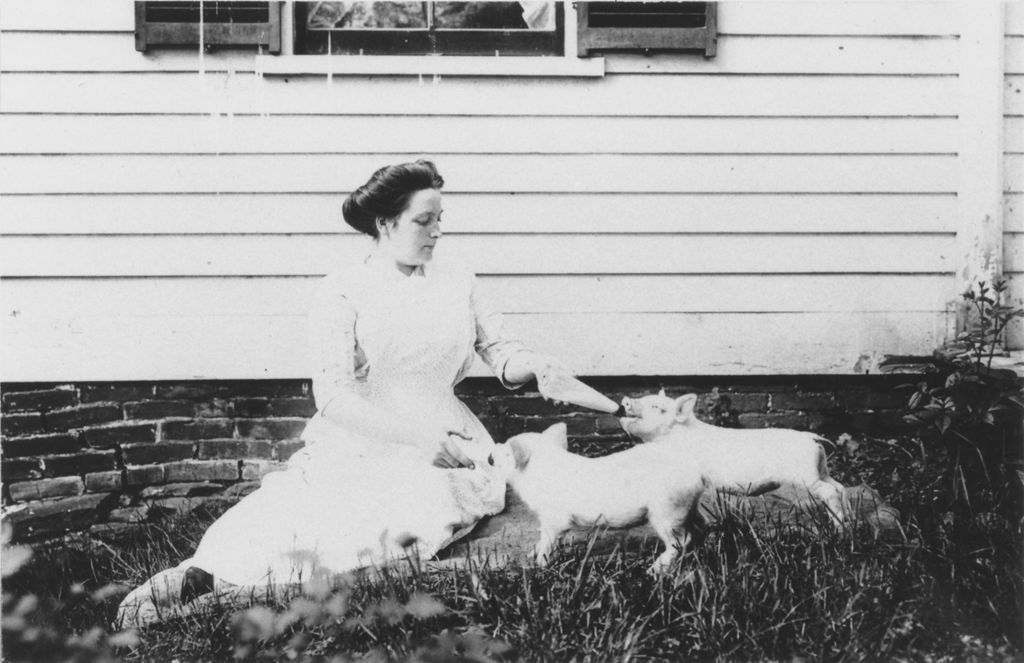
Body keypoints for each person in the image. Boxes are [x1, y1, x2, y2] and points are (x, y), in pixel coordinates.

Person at [117, 159, 574, 625]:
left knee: (413, 512)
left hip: (449, 439)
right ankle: (211, 585)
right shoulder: (343, 291)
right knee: (296, 523)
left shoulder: (460, 283)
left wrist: (533, 367)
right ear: (384, 223)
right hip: (366, 438)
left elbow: (500, 353)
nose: (437, 232)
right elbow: (333, 396)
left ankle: (285, 594)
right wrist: (418, 439)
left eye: (440, 220)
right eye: (423, 221)